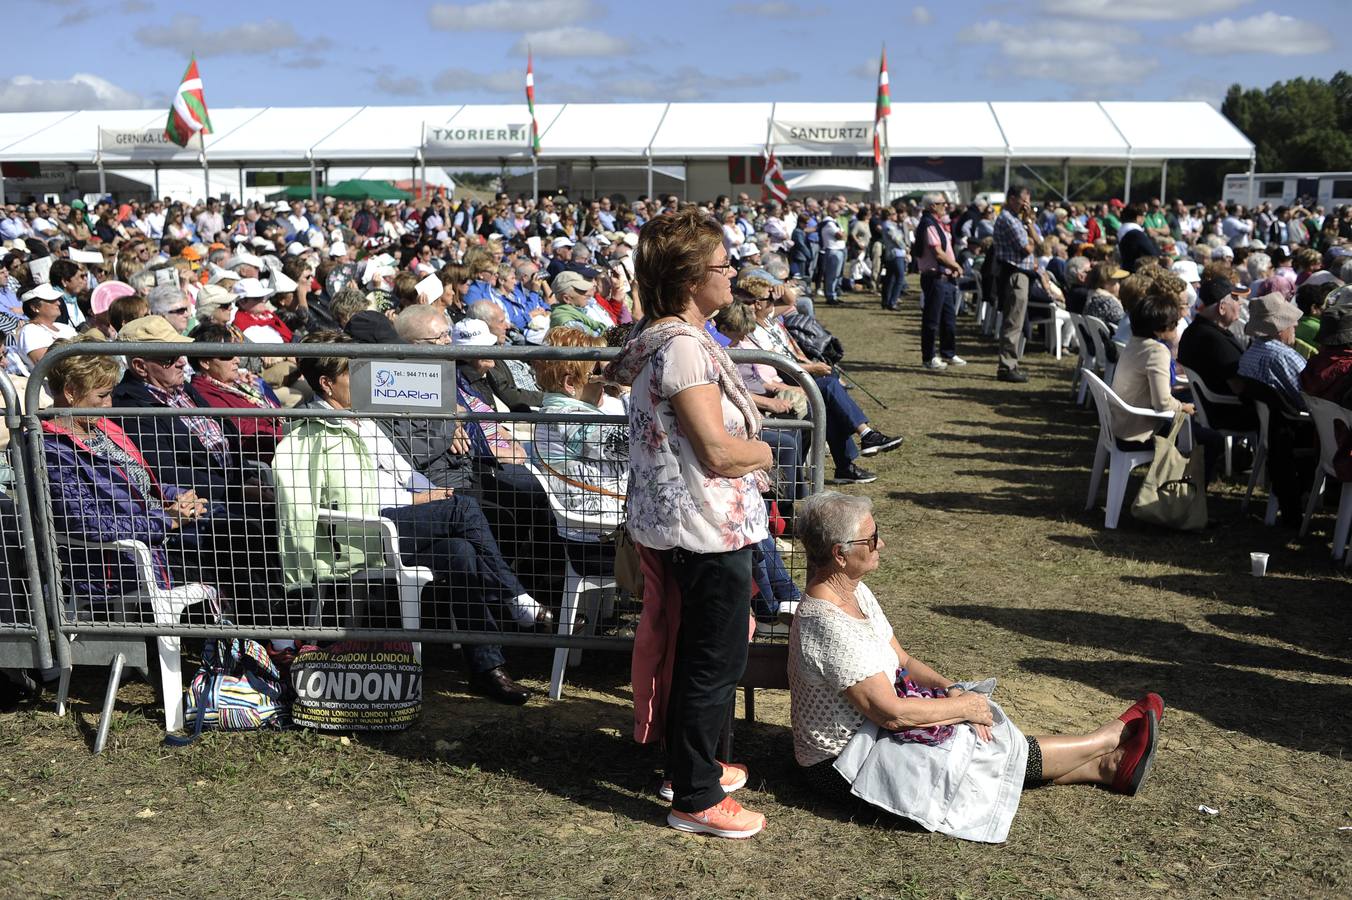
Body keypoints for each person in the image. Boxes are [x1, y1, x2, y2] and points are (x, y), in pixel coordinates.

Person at [788, 491, 1163, 843]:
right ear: (840, 554)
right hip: (843, 765)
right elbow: (892, 715)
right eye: (872, 539)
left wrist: (953, 690)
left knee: (978, 735)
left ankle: (1104, 767)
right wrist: (964, 708)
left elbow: (904, 661)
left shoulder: (854, 591)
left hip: (872, 736)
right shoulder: (827, 624)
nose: (881, 544)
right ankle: (1107, 741)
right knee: (974, 749)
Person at [604, 209, 773, 838]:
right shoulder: (683, 350)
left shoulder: (664, 341)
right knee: (713, 661)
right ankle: (696, 796)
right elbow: (718, 452)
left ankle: (692, 768)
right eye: (723, 266)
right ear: (690, 277)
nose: (733, 275)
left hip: (681, 523)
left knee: (698, 655)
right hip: (704, 527)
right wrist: (767, 450)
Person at [273, 333, 540, 703]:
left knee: (460, 550)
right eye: (354, 373)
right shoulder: (311, 433)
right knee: (463, 508)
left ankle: (487, 668)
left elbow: (402, 472)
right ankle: (516, 597)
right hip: (365, 530)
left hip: (401, 521)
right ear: (326, 383)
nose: (364, 380)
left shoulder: (362, 418)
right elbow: (320, 502)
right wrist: (422, 498)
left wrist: (427, 491)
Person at [40, 343, 217, 618]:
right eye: (102, 395)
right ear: (71, 393)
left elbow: (141, 483)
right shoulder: (53, 449)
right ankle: (265, 642)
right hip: (119, 560)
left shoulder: (100, 428)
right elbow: (85, 523)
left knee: (238, 528)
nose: (109, 404)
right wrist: (165, 520)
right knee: (235, 544)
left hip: (154, 538)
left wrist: (179, 496)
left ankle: (260, 643)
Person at [186, 322, 284, 464]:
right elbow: (241, 429)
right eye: (228, 355)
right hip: (268, 458)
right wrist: (286, 433)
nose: (237, 360)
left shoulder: (231, 383)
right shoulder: (204, 395)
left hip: (279, 445)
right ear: (205, 363)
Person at [912, 194, 965, 369]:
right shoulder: (929, 225)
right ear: (933, 206)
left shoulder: (938, 223)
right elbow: (938, 253)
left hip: (945, 277)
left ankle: (948, 353)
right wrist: (956, 265)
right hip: (935, 277)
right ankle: (929, 357)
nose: (946, 206)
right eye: (943, 204)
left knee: (948, 319)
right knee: (932, 319)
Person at [992, 186, 1037, 383]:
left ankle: (1011, 362)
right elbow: (1028, 248)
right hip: (1015, 274)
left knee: (1016, 321)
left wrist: (1029, 222)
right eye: (1022, 201)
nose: (1026, 205)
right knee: (1013, 322)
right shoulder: (1008, 219)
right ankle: (1007, 366)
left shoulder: (1017, 218)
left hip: (1020, 273)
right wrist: (1032, 235)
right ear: (1011, 199)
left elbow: (1037, 240)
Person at [17, 285, 78, 368]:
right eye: (51, 300)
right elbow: (46, 365)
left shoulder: (65, 328)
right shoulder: (30, 331)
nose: (58, 303)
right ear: (35, 307)